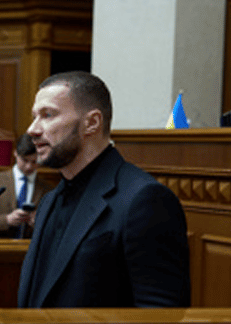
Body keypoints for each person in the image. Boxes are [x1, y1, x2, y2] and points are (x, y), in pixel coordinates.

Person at [16, 71, 191, 309]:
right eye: (34, 116)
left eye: (47, 115)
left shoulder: (145, 200)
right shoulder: (49, 201)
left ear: (92, 123)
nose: (32, 129)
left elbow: (159, 319)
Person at [0, 134, 54, 238]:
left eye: (34, 162)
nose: (29, 166)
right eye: (25, 160)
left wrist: (39, 224)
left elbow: (56, 230)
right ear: (15, 153)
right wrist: (6, 220)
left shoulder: (48, 189)